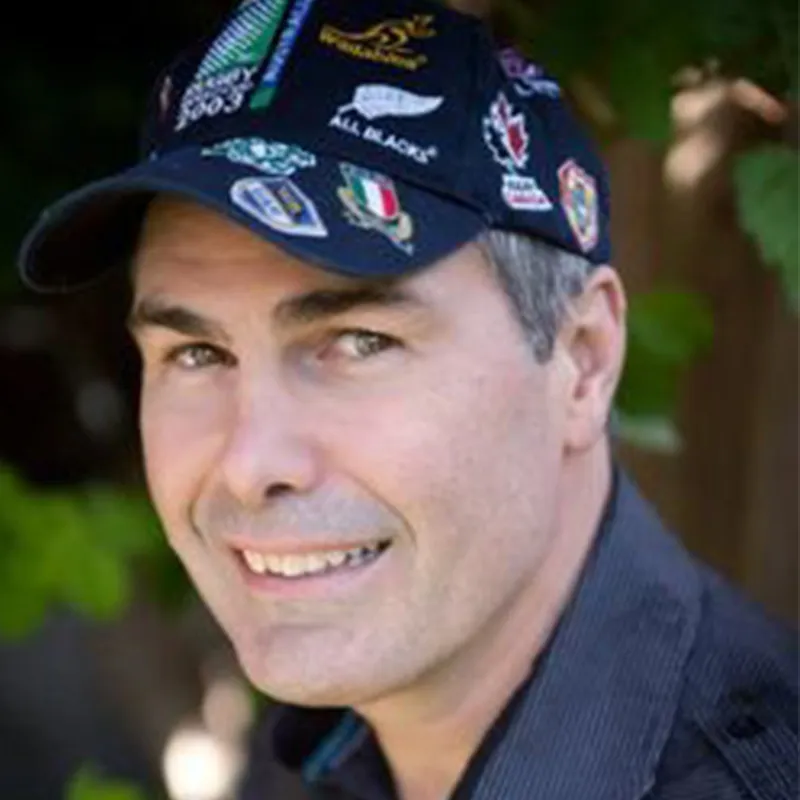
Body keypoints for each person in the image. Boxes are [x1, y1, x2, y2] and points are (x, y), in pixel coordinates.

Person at [17, 0, 798, 798]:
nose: (251, 467)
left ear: (583, 360)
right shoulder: (316, 748)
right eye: (197, 353)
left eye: (360, 342)